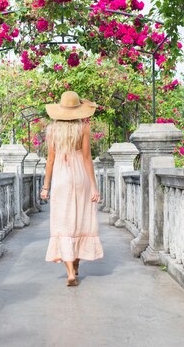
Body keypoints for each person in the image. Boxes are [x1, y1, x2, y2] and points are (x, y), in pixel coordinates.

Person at [41, 91, 104, 287]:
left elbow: (50, 160)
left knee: (64, 223)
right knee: (80, 220)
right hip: (80, 177)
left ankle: (70, 272)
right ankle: (76, 264)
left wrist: (46, 186)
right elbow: (86, 158)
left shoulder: (52, 130)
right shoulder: (83, 127)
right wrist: (94, 186)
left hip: (60, 178)